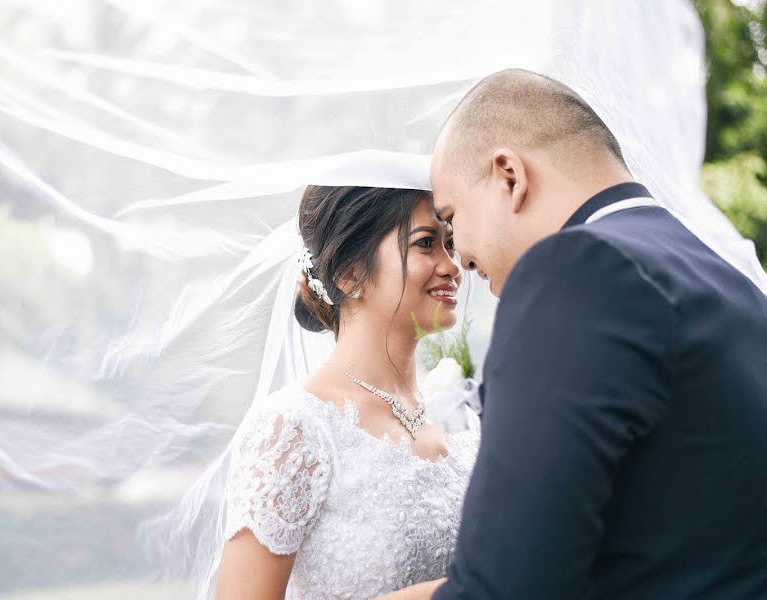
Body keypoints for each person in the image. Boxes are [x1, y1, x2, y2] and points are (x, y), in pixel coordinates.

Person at [424, 69, 767, 599]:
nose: (460, 256)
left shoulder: (575, 270)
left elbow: (507, 587)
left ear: (509, 176)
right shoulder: (732, 284)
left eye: (451, 219)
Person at [214, 185, 480, 599]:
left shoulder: (460, 415)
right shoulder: (294, 430)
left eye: (450, 243)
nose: (453, 266)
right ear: (349, 274)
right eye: (426, 243)